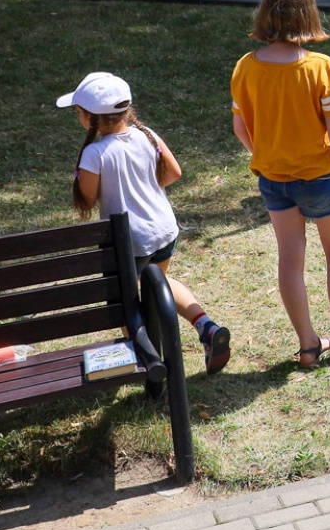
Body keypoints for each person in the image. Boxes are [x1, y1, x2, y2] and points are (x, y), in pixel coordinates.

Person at [231, 0, 330, 368]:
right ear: (308, 13)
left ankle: (308, 345)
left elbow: (240, 127)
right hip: (324, 177)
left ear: (265, 13)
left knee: (289, 259)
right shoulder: (321, 67)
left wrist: (265, 154)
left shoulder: (246, 66)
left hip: (273, 180)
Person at [59, 71, 230, 374]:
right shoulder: (146, 135)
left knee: (126, 303)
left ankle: (148, 364)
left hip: (129, 242)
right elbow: (173, 173)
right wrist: (145, 187)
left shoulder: (94, 153)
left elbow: (86, 200)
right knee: (158, 283)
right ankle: (206, 326)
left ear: (89, 117)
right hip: (163, 231)